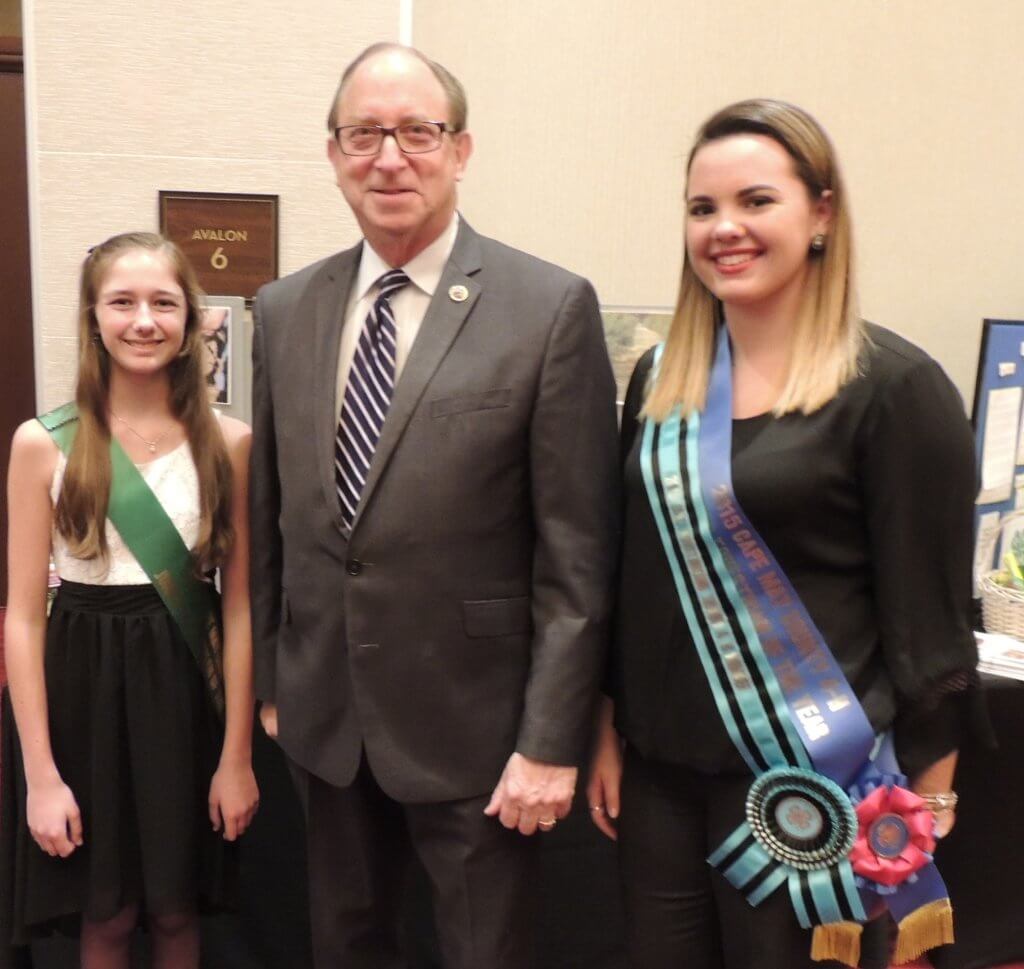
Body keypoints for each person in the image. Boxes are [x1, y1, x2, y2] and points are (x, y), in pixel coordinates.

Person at [587, 99, 987, 969]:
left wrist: (924, 811)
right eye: (702, 209)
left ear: (823, 213)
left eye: (756, 201)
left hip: (813, 787)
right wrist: (608, 729)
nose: (724, 228)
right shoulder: (661, 380)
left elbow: (932, 625)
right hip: (658, 778)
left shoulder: (896, 388)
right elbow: (637, 579)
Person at [249, 42, 619, 969]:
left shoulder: (548, 308)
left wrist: (550, 738)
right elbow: (272, 517)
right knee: (345, 946)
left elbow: (577, 557)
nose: (390, 157)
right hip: (326, 720)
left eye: (418, 131)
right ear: (333, 154)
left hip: (481, 733)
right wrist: (269, 680)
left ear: (461, 149)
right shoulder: (285, 309)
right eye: (364, 133)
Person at [0, 232, 259, 969]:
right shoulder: (42, 443)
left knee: (178, 911)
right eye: (122, 301)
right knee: (106, 914)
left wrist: (236, 757)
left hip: (184, 693)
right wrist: (40, 773)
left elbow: (237, 609)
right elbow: (22, 615)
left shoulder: (229, 443)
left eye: (164, 302)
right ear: (93, 317)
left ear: (191, 321)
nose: (143, 320)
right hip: (81, 691)